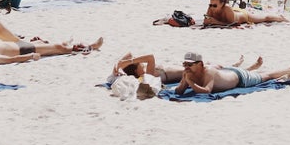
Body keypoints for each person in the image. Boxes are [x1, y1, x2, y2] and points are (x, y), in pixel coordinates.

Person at [175, 51, 290, 95]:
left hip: (241, 78)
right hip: (228, 72)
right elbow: (178, 91)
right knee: (260, 74)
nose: (186, 67)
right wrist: (185, 82)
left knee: (267, 76)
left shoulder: (209, 72)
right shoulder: (188, 72)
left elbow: (207, 91)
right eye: (185, 64)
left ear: (200, 64)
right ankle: (253, 67)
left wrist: (190, 82)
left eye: (190, 64)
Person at [111, 52, 262, 85]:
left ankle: (238, 65)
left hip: (188, 68)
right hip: (192, 72)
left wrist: (118, 64)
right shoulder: (147, 74)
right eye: (139, 64)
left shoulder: (143, 72)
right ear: (136, 70)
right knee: (220, 69)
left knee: (219, 67)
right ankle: (248, 68)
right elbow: (150, 57)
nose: (141, 63)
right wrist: (128, 62)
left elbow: (128, 54)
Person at [202, 0, 289, 26]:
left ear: (222, 4)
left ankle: (280, 17)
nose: (212, 7)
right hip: (235, 12)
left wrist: (215, 21)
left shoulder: (227, 8)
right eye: (210, 5)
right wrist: (207, 20)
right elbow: (206, 20)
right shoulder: (210, 7)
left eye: (214, 5)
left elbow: (232, 23)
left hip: (243, 16)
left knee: (265, 18)